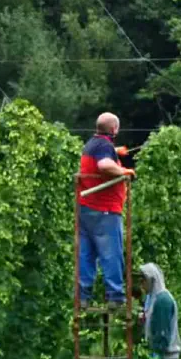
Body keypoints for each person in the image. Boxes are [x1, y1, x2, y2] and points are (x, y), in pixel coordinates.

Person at [77, 112, 135, 309]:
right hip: (105, 210)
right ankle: (115, 297)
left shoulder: (92, 144)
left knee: (87, 254)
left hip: (86, 209)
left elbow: (100, 157)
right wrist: (125, 171)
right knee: (111, 253)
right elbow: (103, 165)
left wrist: (116, 152)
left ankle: (83, 297)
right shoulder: (104, 146)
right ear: (114, 129)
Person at [140, 263, 181, 359]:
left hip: (166, 356)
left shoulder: (162, 301)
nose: (142, 285)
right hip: (163, 354)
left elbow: (162, 332)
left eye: (143, 281)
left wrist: (156, 355)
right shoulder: (153, 299)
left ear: (152, 280)